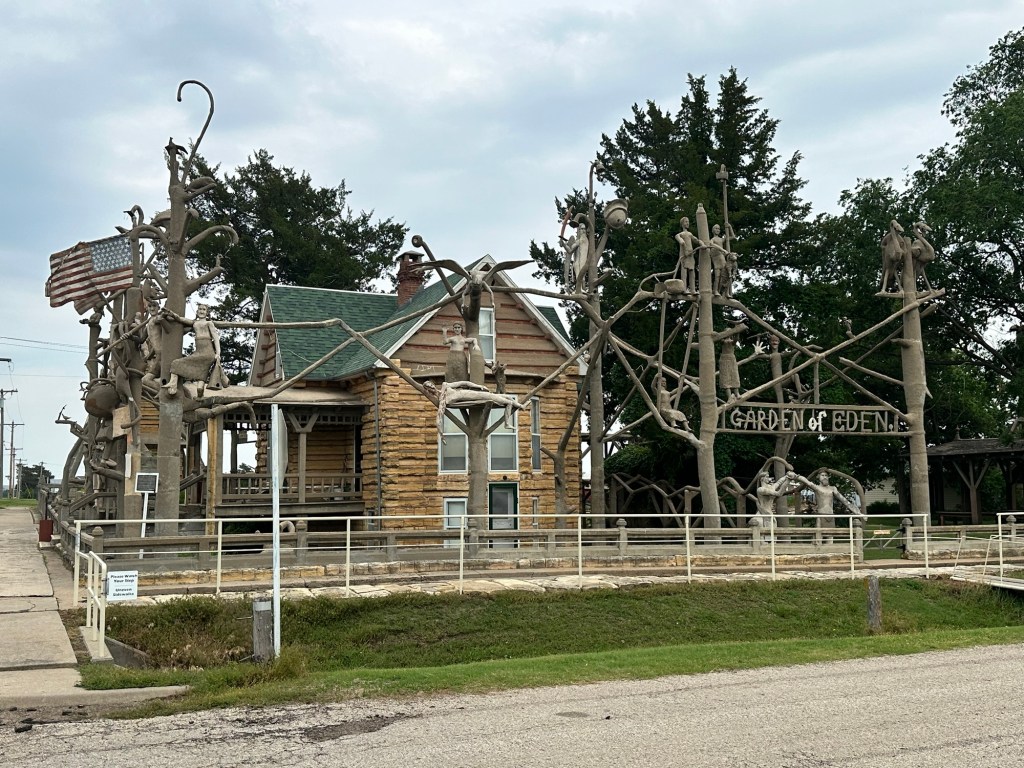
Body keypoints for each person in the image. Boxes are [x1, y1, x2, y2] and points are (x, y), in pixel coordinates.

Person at [162, 304, 228, 397]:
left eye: (204, 309)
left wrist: (218, 353)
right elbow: (180, 319)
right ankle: (194, 392)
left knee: (198, 371)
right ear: (197, 312)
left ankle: (180, 386)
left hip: (208, 352)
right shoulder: (194, 323)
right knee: (179, 364)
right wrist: (171, 314)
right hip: (199, 352)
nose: (201, 311)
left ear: (207, 313)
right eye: (200, 309)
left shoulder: (209, 323)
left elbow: (216, 338)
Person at [674, 216, 699, 294]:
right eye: (686, 222)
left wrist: (702, 243)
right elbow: (681, 242)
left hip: (690, 255)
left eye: (688, 222)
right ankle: (684, 289)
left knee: (692, 272)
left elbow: (696, 240)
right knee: (684, 272)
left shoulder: (689, 234)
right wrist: (686, 250)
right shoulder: (679, 234)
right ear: (682, 223)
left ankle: (693, 289)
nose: (687, 223)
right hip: (684, 256)